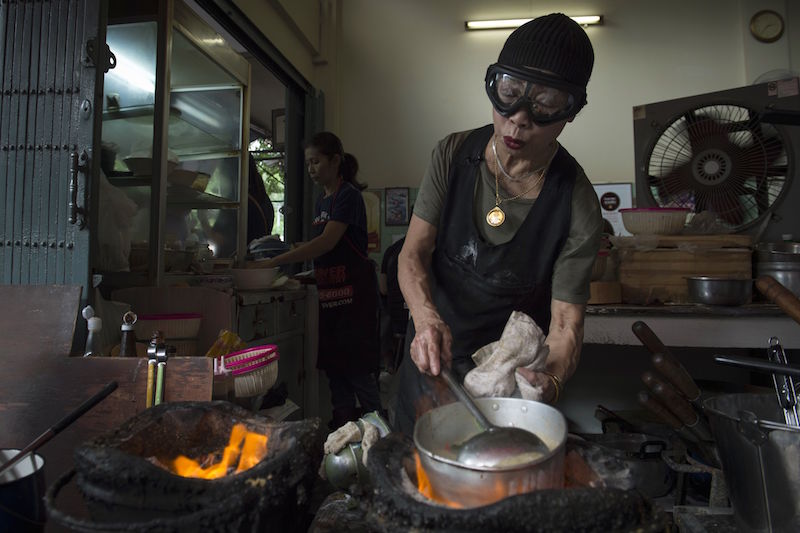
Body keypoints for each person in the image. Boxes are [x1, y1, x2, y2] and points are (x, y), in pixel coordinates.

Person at [394, 13, 603, 436]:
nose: (519, 118)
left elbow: (566, 326)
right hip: (430, 354)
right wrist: (426, 320)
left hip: (504, 382)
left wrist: (553, 378)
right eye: (509, 93)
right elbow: (413, 253)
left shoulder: (575, 200)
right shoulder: (453, 155)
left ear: (571, 111)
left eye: (545, 105)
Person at [252, 131, 382, 428]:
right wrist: (291, 255)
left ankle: (382, 440)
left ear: (335, 161)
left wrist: (277, 260)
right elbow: (321, 250)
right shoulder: (321, 201)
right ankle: (344, 442)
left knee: (359, 374)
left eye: (316, 162)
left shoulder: (348, 196)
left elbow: (326, 243)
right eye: (308, 163)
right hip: (330, 301)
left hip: (354, 302)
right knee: (336, 375)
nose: (311, 168)